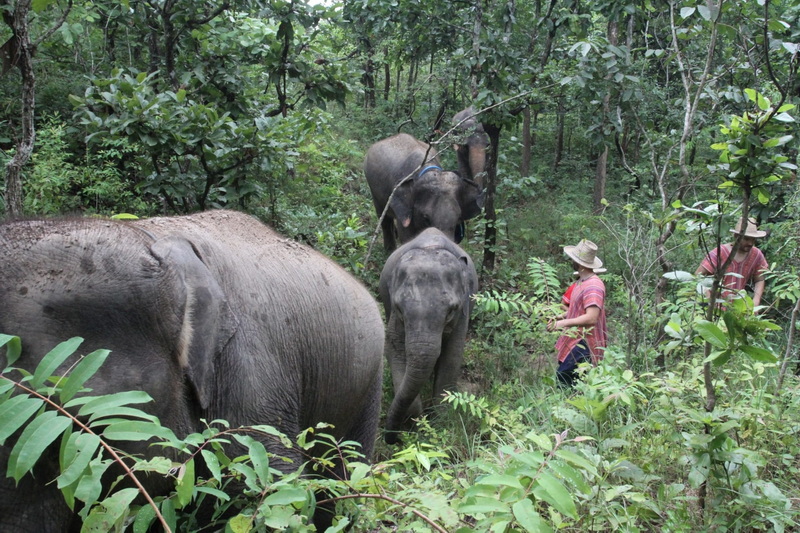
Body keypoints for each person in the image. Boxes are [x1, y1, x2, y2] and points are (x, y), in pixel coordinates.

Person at [547, 239, 608, 388]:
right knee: (569, 381)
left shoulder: (593, 285)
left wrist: (562, 323)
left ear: (578, 262)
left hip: (585, 342)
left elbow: (591, 318)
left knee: (565, 380)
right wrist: (560, 316)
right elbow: (577, 311)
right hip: (574, 339)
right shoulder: (581, 282)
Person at [695, 217, 769, 308]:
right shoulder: (720, 252)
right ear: (736, 236)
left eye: (753, 239)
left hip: (739, 307)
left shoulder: (756, 255)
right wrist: (709, 299)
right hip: (716, 306)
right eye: (746, 239)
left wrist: (755, 302)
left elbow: (760, 279)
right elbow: (698, 275)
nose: (750, 243)